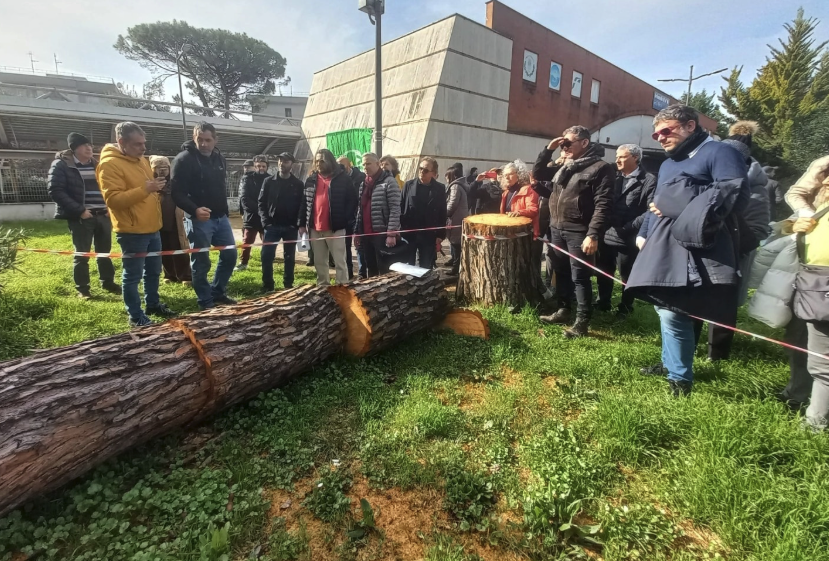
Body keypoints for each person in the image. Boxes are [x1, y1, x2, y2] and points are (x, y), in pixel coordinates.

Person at [627, 105, 749, 397]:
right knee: (665, 307)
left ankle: (680, 380)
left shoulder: (721, 153)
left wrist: (680, 205)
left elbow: (736, 197)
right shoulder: (669, 164)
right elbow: (657, 203)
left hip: (702, 246)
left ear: (690, 126)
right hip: (662, 243)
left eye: (666, 131)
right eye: (656, 134)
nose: (660, 138)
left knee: (675, 312)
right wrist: (645, 233)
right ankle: (672, 364)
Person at [532, 125, 615, 338]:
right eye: (562, 143)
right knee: (561, 271)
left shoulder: (600, 168)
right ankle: (563, 309)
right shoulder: (566, 165)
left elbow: (603, 204)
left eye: (568, 143)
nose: (564, 147)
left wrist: (593, 234)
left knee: (580, 276)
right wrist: (548, 149)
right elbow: (539, 173)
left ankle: (582, 322)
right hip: (557, 227)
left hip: (579, 231)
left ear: (584, 143)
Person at [97, 122, 177, 327]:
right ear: (121, 142)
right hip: (132, 231)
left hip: (153, 227)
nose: (143, 148)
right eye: (137, 144)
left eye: (144, 143)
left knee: (153, 271)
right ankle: (135, 315)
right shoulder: (109, 165)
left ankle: (153, 304)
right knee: (132, 275)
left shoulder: (141, 160)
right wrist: (145, 189)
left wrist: (155, 192)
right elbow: (113, 200)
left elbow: (146, 190)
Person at [171, 122, 238, 310]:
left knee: (230, 255)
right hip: (198, 219)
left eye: (208, 140)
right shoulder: (183, 160)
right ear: (194, 138)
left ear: (216, 140)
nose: (203, 144)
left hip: (220, 218)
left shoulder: (219, 158)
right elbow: (176, 193)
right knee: (201, 262)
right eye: (199, 139)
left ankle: (218, 292)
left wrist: (224, 211)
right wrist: (194, 210)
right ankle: (205, 301)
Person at [784, 156, 829, 430]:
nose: (824, 183)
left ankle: (815, 425)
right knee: (809, 348)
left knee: (822, 363)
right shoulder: (820, 207)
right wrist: (796, 223)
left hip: (819, 284)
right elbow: (796, 196)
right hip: (814, 282)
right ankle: (799, 395)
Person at [47, 132, 120, 299]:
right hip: (81, 217)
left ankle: (108, 282)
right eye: (84, 145)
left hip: (103, 216)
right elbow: (55, 191)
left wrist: (109, 207)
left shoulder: (98, 164)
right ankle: (83, 289)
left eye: (90, 145)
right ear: (74, 148)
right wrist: (79, 211)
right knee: (82, 254)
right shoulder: (61, 165)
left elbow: (108, 187)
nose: (89, 148)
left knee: (104, 253)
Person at [596, 144, 656, 318]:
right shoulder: (612, 176)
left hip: (629, 236)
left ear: (635, 158)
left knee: (627, 274)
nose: (617, 160)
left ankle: (625, 307)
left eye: (622, 157)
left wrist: (630, 227)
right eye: (616, 156)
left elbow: (650, 209)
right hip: (607, 232)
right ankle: (603, 301)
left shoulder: (648, 180)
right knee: (604, 270)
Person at [299, 148, 357, 285]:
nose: (318, 163)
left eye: (322, 161)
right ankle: (323, 287)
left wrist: (343, 220)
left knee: (340, 261)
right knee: (319, 261)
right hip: (315, 228)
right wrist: (302, 224)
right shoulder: (311, 180)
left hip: (335, 228)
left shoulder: (343, 179)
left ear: (330, 161)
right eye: (316, 161)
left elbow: (353, 201)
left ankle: (342, 287)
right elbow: (304, 203)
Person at [259, 152, 305, 292]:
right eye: (280, 161)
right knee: (266, 255)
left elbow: (302, 206)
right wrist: (266, 222)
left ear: (292, 164)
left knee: (289, 257)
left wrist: (297, 224)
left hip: (290, 227)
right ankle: (268, 286)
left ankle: (288, 285)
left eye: (285, 161)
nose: (281, 164)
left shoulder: (298, 184)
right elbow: (261, 202)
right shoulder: (269, 181)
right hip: (272, 226)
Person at [355, 152, 402, 277]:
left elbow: (395, 209)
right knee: (371, 268)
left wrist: (391, 233)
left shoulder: (389, 182)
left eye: (368, 163)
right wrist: (357, 233)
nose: (365, 167)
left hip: (382, 234)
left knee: (385, 269)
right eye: (363, 164)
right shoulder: (363, 184)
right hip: (366, 234)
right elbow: (360, 210)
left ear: (377, 164)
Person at [150, 155, 191, 285]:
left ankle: (185, 276)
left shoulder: (175, 182)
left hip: (175, 223)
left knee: (179, 248)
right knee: (164, 249)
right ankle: (169, 274)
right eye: (158, 168)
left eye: (165, 168)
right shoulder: (149, 184)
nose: (162, 171)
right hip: (158, 224)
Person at [400, 157, 447, 269]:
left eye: (425, 170)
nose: (421, 172)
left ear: (433, 173)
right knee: (408, 265)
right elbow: (401, 207)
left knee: (425, 266)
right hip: (409, 233)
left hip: (428, 235)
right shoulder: (408, 185)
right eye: (420, 168)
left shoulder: (440, 188)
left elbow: (442, 212)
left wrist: (440, 235)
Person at [236, 155, 270, 271]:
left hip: (266, 217)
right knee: (247, 241)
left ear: (267, 167)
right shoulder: (247, 179)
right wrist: (260, 210)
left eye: (263, 166)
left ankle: (266, 263)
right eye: (258, 166)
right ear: (254, 166)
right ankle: (243, 262)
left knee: (267, 242)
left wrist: (266, 212)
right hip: (251, 216)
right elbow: (244, 198)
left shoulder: (271, 179)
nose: (261, 168)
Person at [337, 156, 363, 279]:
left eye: (342, 165)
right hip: (345, 217)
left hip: (358, 215)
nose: (340, 168)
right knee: (345, 246)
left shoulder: (360, 177)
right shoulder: (337, 178)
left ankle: (363, 273)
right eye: (338, 166)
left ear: (349, 165)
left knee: (360, 245)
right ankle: (349, 273)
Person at [443, 166, 469, 276]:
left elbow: (452, 203)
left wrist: (444, 213)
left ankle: (456, 266)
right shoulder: (460, 185)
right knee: (454, 242)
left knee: (456, 243)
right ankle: (454, 260)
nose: (445, 177)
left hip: (456, 218)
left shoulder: (455, 187)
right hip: (458, 217)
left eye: (447, 175)